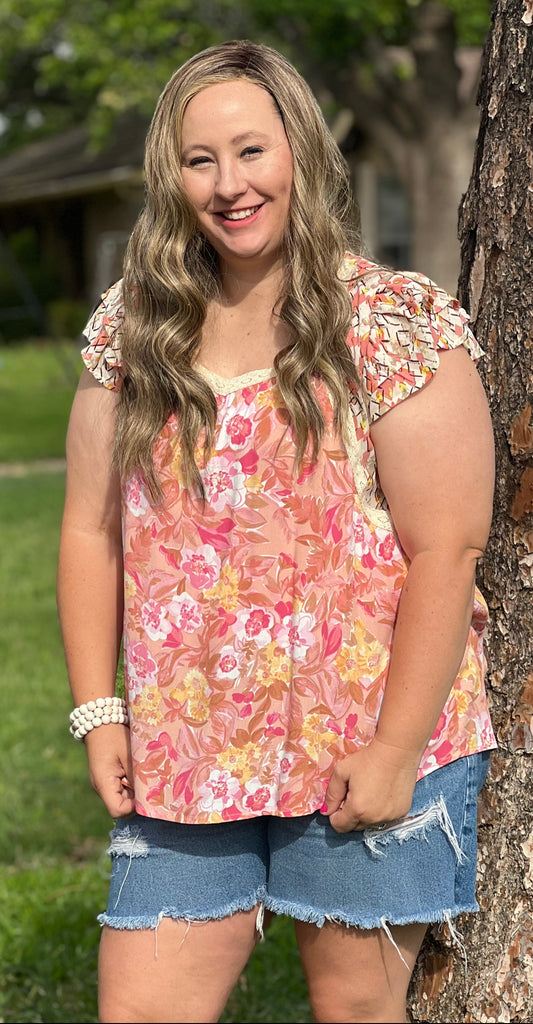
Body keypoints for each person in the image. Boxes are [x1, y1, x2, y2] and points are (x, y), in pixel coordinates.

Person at [57, 38, 496, 1024]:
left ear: (298, 149)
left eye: (250, 151)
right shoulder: (134, 329)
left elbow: (446, 551)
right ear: (169, 176)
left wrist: (390, 749)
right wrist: (100, 711)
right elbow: (88, 530)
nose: (227, 184)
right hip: (183, 747)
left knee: (352, 1009)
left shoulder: (392, 321)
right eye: (198, 158)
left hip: (364, 740)